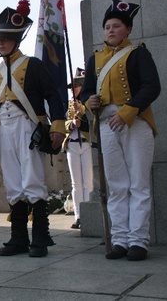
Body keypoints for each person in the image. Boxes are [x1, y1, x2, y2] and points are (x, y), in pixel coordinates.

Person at [80, 0, 161, 261]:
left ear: (127, 30)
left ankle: (138, 241)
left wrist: (128, 112)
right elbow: (89, 90)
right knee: (116, 186)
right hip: (106, 123)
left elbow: (151, 87)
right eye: (107, 27)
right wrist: (88, 100)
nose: (111, 30)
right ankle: (120, 239)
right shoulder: (95, 59)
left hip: (134, 122)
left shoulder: (138, 54)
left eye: (116, 26)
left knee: (138, 184)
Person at [0, 0, 66, 257]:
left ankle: (40, 237)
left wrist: (57, 125)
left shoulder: (33, 65)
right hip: (4, 130)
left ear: (17, 39)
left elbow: (54, 96)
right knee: (12, 182)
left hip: (28, 127)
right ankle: (18, 237)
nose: (1, 43)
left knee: (32, 179)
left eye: (6, 38)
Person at [63, 68, 93, 229]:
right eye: (72, 87)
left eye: (76, 86)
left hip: (86, 143)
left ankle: (89, 214)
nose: (73, 90)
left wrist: (81, 111)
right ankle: (79, 215)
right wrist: (72, 124)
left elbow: (92, 122)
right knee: (76, 184)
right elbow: (64, 123)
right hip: (73, 143)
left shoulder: (87, 103)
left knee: (87, 182)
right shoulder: (68, 105)